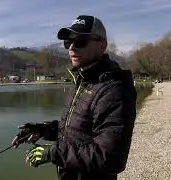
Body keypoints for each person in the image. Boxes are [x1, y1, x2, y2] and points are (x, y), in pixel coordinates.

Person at [12, 15, 137, 180]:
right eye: (67, 42)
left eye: (80, 42)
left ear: (102, 45)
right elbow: (77, 133)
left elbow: (110, 157)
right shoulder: (81, 81)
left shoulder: (114, 89)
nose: (71, 48)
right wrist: (44, 130)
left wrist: (52, 153)